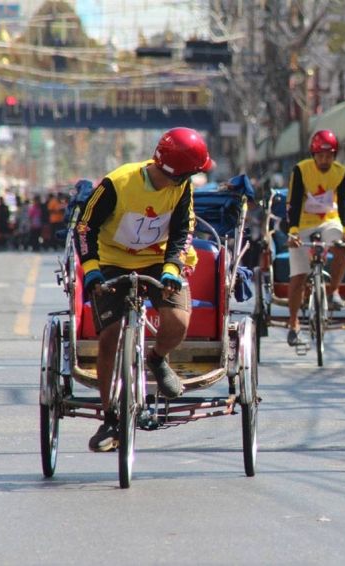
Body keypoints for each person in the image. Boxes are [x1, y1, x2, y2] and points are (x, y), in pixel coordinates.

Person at [76, 126, 213, 452]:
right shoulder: (118, 183)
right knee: (108, 338)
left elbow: (184, 230)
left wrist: (171, 268)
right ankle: (110, 416)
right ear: (177, 171)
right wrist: (92, 271)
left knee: (177, 322)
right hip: (111, 262)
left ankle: (157, 358)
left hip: (160, 261)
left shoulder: (182, 189)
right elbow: (85, 228)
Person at [285, 129, 345, 346]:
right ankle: (294, 323)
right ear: (313, 154)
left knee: (341, 246)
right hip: (302, 224)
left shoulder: (341, 172)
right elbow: (294, 201)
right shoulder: (301, 170)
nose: (325, 160)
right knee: (298, 276)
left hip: (330, 221)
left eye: (329, 156)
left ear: (334, 155)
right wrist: (293, 231)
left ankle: (333, 291)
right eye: (321, 155)